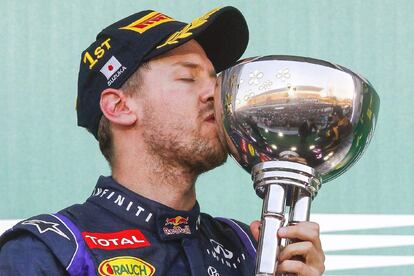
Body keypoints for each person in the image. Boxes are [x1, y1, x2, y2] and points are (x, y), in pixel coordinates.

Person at [0, 7, 325, 276]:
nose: (215, 94)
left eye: (215, 80)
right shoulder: (51, 251)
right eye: (188, 77)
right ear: (119, 106)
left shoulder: (246, 248)